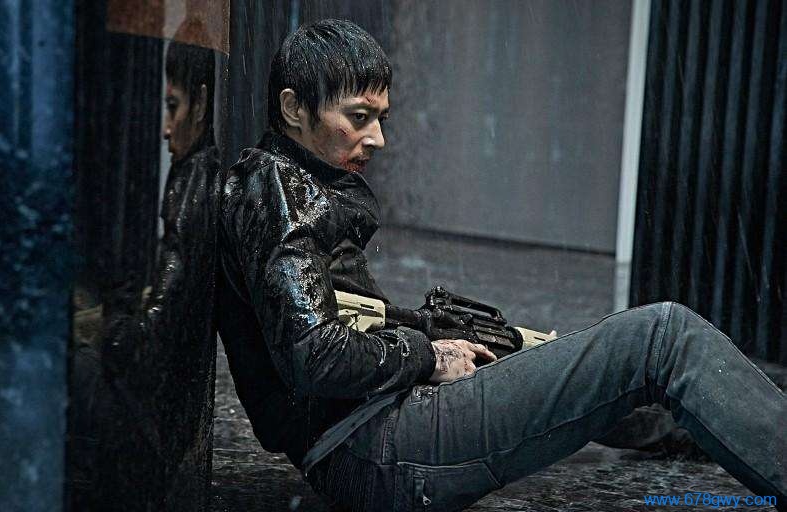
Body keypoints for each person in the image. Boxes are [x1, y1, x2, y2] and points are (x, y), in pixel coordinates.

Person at [216, 19, 786, 512]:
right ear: (293, 108)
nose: (378, 138)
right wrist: (426, 354)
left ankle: (695, 428)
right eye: (359, 116)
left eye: (381, 117)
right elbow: (315, 355)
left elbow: (330, 328)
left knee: (568, 357)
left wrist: (432, 334)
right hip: (373, 445)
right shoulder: (278, 190)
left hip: (369, 439)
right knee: (662, 335)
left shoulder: (279, 183)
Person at [67, 40, 221, 510]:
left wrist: (108, 329)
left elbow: (152, 330)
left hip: (149, 425)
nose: (166, 128)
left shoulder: (193, 188)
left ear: (200, 104)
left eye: (174, 107)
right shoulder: (200, 175)